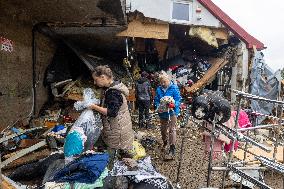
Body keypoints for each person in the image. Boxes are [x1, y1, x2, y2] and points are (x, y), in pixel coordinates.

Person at [88, 65, 134, 157]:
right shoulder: (115, 86)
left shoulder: (113, 92)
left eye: (95, 80)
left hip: (117, 132)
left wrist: (93, 107)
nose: (94, 82)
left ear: (103, 77)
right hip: (120, 128)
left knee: (115, 156)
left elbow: (111, 112)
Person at [154, 71, 181, 158]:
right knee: (163, 129)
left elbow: (178, 100)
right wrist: (158, 106)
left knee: (172, 129)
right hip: (162, 113)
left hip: (172, 112)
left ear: (169, 80)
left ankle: (172, 148)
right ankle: (165, 141)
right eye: (161, 82)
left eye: (164, 82)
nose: (163, 84)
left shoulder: (174, 88)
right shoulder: (159, 89)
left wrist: (174, 104)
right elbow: (156, 100)